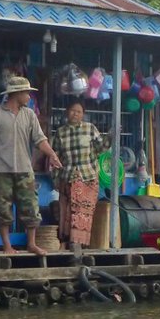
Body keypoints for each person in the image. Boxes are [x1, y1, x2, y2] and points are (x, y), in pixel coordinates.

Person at [0, 75, 62, 255]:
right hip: (1, 170)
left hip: (25, 169)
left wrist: (52, 155)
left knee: (31, 207)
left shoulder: (30, 115)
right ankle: (7, 246)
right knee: (3, 210)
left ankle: (31, 244)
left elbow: (40, 140)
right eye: (26, 93)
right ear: (16, 94)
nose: (29, 97)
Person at [50, 99, 107, 253]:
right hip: (67, 177)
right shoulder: (60, 133)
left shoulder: (90, 129)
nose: (75, 114)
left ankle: (78, 243)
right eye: (73, 110)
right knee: (66, 211)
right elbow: (55, 157)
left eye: (79, 111)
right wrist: (55, 178)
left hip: (87, 177)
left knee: (82, 212)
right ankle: (67, 241)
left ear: (83, 114)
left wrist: (112, 135)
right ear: (67, 112)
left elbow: (101, 148)